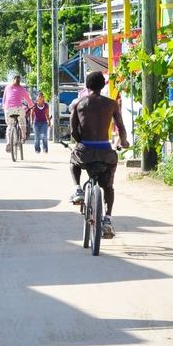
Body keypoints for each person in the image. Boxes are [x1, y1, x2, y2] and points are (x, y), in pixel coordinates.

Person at [69, 71, 128, 238]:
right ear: (103, 85)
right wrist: (123, 142)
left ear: (87, 86)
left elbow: (73, 131)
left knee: (73, 161)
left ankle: (78, 189)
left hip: (85, 150)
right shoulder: (111, 104)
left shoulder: (79, 104)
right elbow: (121, 127)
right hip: (105, 152)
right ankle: (107, 219)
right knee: (108, 187)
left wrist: (81, 143)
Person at [1, 75, 34, 151]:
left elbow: (4, 99)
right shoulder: (21, 88)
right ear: (20, 81)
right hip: (18, 108)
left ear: (13, 80)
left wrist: (3, 107)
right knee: (22, 121)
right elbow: (28, 99)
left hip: (8, 108)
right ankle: (23, 137)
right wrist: (32, 106)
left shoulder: (7, 87)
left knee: (10, 126)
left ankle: (8, 142)